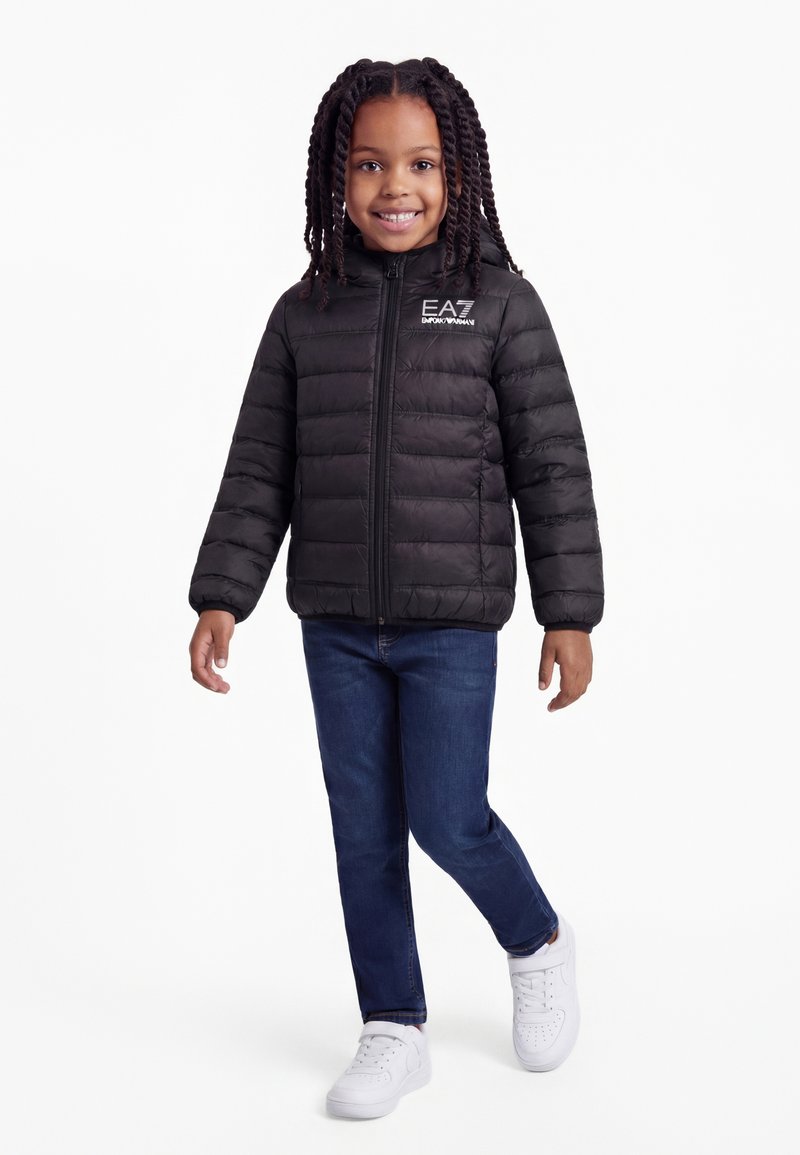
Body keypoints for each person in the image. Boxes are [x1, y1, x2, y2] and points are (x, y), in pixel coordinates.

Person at [187, 56, 604, 1120]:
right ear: (337, 175)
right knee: (362, 830)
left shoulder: (501, 306)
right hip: (333, 621)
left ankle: (536, 938)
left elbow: (551, 466)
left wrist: (568, 613)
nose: (394, 187)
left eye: (419, 164)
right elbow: (259, 466)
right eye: (369, 164)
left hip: (451, 621)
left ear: (456, 174)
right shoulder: (303, 313)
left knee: (448, 818)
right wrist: (222, 592)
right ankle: (392, 1025)